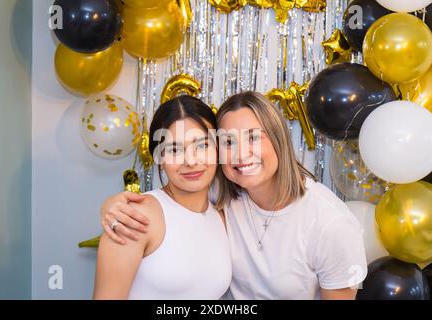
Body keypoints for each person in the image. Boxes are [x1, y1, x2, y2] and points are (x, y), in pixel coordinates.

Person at [100, 92, 367, 300]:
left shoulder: (331, 224)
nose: (241, 155)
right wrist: (111, 205)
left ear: (279, 139)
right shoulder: (219, 196)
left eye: (254, 138)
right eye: (228, 142)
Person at [93, 96, 231, 300]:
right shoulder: (134, 217)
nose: (191, 161)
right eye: (174, 149)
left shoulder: (222, 218)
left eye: (202, 146)